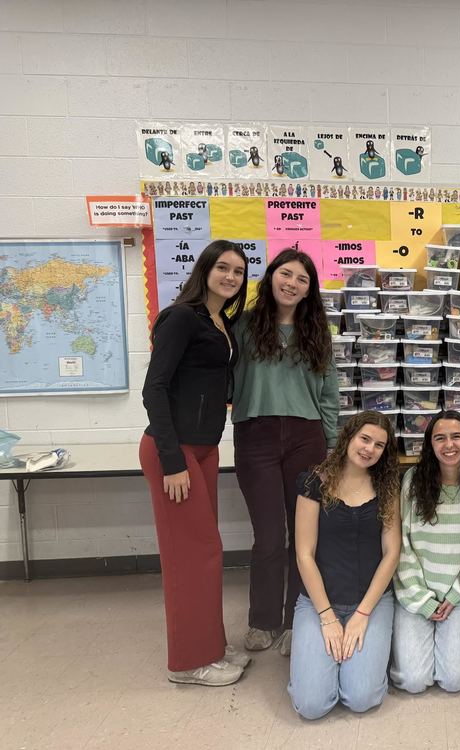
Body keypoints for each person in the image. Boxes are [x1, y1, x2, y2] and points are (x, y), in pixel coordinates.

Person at [139, 239, 250, 686]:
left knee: (207, 552)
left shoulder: (221, 321)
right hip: (175, 452)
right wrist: (172, 462)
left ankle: (213, 648)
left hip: (204, 448)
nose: (230, 277)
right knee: (192, 557)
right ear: (204, 269)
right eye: (222, 267)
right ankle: (189, 662)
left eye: (239, 272)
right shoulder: (181, 317)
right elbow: (155, 389)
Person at [232, 248, 339, 656]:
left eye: (302, 279)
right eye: (286, 274)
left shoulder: (316, 333)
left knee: (303, 535)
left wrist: (330, 444)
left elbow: (329, 394)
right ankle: (262, 620)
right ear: (271, 275)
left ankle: (299, 619)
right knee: (269, 536)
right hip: (254, 435)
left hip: (305, 436)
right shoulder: (242, 326)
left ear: (309, 290)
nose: (292, 283)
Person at [288, 411, 402, 720]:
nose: (369, 449)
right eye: (364, 439)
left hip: (371, 602)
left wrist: (363, 614)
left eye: (379, 445)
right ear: (348, 437)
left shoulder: (388, 485)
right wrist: (326, 617)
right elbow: (304, 554)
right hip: (319, 603)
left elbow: (392, 552)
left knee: (361, 698)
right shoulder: (313, 482)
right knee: (311, 706)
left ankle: (353, 660)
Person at [390, 411, 460, 693]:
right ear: (430, 444)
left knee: (455, 680)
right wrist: (420, 598)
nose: (449, 445)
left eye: (456, 436)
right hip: (415, 589)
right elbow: (403, 543)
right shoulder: (412, 480)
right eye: (440, 438)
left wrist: (457, 593)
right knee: (413, 681)